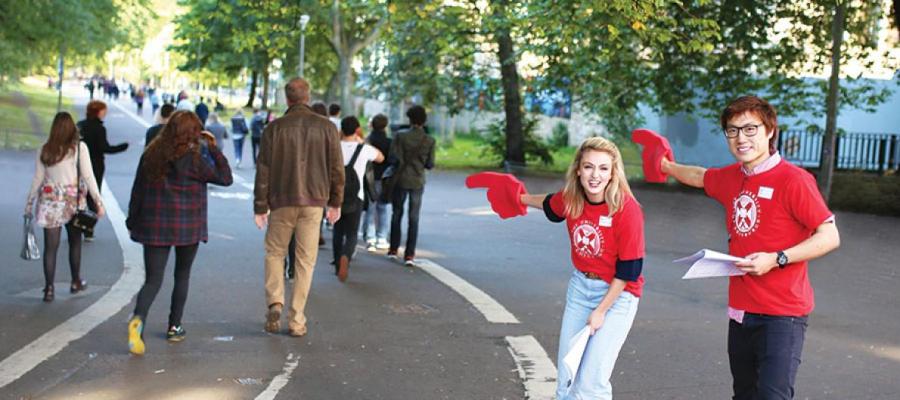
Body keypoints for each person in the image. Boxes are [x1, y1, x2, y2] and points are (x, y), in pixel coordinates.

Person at [657, 95, 841, 399]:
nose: (741, 138)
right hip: (740, 312)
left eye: (750, 129)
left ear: (770, 131)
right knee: (743, 395)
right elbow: (701, 177)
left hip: (782, 315)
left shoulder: (794, 180)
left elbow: (830, 235)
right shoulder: (732, 177)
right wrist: (665, 165)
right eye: (733, 130)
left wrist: (777, 258)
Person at [498, 136, 645, 399]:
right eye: (588, 167)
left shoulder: (626, 209)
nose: (595, 175)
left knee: (591, 383)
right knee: (567, 378)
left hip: (617, 295)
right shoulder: (572, 199)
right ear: (578, 169)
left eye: (603, 168)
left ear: (613, 173)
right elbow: (549, 204)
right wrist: (518, 198)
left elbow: (629, 270)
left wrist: (600, 311)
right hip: (580, 289)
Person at [125, 111, 233, 355]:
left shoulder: (151, 154)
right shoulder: (195, 159)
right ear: (194, 133)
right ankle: (174, 326)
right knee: (182, 275)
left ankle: (138, 320)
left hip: (154, 225)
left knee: (153, 280)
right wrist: (213, 148)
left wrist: (133, 219)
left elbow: (137, 190)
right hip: (187, 225)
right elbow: (225, 178)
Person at [253, 78, 344, 337]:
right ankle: (296, 319)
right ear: (307, 97)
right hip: (314, 202)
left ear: (287, 99)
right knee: (305, 261)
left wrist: (260, 206)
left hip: (281, 201)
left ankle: (275, 302)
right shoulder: (326, 128)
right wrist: (335, 202)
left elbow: (264, 171)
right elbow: (337, 169)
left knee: (274, 253)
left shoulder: (274, 129)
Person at [25, 113, 105, 302]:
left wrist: (29, 203)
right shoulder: (79, 148)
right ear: (72, 128)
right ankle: (75, 281)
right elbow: (88, 176)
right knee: (75, 243)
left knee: (50, 248)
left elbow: (37, 179)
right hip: (73, 203)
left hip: (50, 203)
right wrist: (98, 202)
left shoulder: (45, 150)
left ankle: (49, 289)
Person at [333, 116, 384, 281]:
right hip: (357, 196)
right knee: (352, 232)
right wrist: (362, 142)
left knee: (338, 231)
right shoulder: (364, 149)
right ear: (356, 130)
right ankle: (346, 257)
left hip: (336, 196)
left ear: (341, 129)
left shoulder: (333, 147)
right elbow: (381, 158)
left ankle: (337, 263)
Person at [387, 105, 435, 266]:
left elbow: (392, 158)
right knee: (414, 218)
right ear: (424, 121)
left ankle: (393, 250)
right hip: (417, 181)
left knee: (396, 214)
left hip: (400, 180)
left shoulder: (400, 136)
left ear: (410, 119)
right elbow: (430, 164)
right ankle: (409, 255)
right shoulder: (429, 140)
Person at [77, 100, 128, 241]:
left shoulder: (80, 125)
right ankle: (88, 229)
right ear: (98, 111)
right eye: (104, 110)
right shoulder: (99, 129)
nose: (105, 113)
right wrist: (123, 147)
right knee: (93, 196)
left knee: (78, 194)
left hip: (78, 164)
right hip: (96, 165)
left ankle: (76, 226)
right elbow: (104, 148)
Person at [361, 114, 392, 251]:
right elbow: (391, 160)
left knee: (370, 208)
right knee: (383, 208)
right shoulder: (389, 142)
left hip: (369, 177)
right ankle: (382, 237)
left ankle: (370, 237)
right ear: (385, 126)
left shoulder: (368, 140)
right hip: (384, 177)